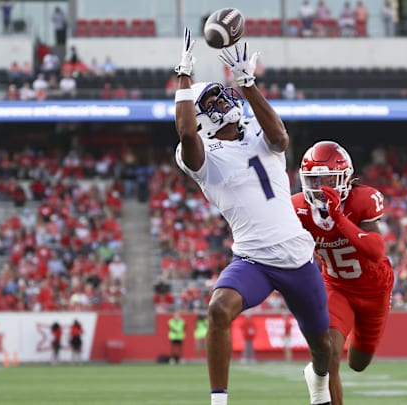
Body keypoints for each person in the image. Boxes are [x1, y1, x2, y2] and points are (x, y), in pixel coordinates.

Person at [173, 27, 331, 405]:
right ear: (200, 118)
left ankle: (320, 382)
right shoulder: (202, 158)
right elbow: (184, 132)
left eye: (220, 93)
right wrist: (184, 76)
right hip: (254, 260)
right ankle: (218, 401)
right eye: (210, 100)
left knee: (323, 348)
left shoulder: (258, 132)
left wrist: (247, 83)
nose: (221, 100)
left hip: (297, 256)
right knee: (218, 308)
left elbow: (281, 140)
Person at [293, 140, 394, 405]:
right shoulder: (298, 208)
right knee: (330, 352)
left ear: (345, 179)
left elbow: (375, 250)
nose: (320, 188)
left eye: (327, 179)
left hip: (375, 291)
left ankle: (323, 368)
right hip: (337, 286)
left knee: (358, 363)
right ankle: (319, 379)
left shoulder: (362, 199)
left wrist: (340, 218)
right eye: (313, 181)